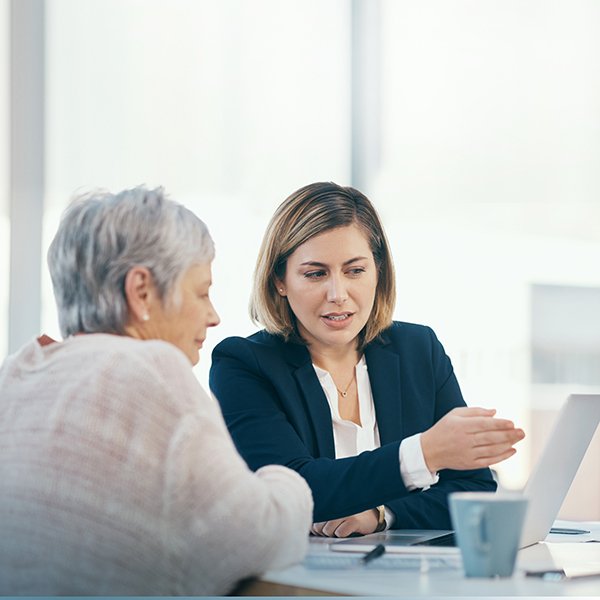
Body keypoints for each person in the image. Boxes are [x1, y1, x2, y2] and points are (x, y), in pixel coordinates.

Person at [0, 187, 313, 595]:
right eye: (202, 292)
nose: (214, 316)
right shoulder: (149, 370)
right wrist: (283, 479)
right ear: (142, 291)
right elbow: (257, 537)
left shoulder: (17, 373)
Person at [210, 181, 525, 538]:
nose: (338, 294)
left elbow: (473, 488)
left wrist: (382, 514)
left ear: (378, 272)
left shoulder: (418, 348)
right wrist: (424, 454)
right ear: (279, 280)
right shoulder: (243, 364)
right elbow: (295, 490)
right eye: (315, 273)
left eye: (355, 271)